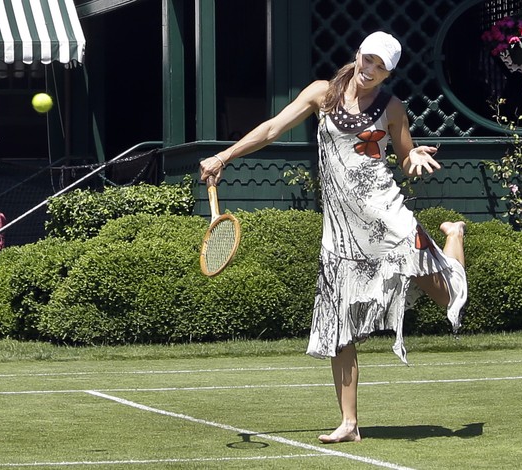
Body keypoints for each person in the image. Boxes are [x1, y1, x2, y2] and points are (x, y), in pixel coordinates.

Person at [199, 31, 467, 444]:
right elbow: (272, 128)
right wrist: (224, 156)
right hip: (341, 232)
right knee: (336, 324)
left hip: (387, 219)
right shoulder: (322, 94)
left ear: (388, 72)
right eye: (368, 59)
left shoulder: (392, 108)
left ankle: (455, 236)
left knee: (450, 299)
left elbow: (404, 156)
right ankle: (349, 424)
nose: (370, 69)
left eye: (380, 66)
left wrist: (413, 157)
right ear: (358, 54)